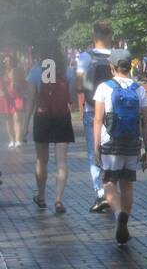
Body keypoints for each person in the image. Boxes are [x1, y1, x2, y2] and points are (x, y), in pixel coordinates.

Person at [92, 49, 147, 245]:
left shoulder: (104, 88)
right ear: (130, 66)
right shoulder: (139, 89)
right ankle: (125, 219)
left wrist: (96, 146)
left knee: (109, 183)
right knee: (127, 185)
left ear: (112, 67)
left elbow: (98, 119)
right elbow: (145, 121)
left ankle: (118, 215)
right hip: (132, 143)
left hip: (110, 142)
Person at [26, 41, 77, 213]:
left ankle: (41, 196)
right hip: (61, 117)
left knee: (42, 160)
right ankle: (58, 199)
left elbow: (31, 100)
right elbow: (72, 99)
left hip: (42, 117)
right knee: (61, 161)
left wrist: (26, 124)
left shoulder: (36, 71)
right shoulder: (68, 71)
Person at [76, 22, 115, 212]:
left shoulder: (85, 57)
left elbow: (78, 83)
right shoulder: (117, 56)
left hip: (92, 110)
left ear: (94, 35)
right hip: (113, 112)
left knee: (94, 152)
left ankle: (100, 192)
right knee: (112, 150)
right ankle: (111, 188)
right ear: (109, 36)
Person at [0, 54, 24, 148]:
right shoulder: (2, 73)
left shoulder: (17, 71)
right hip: (6, 98)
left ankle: (18, 140)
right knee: (8, 119)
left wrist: (18, 85)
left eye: (10, 61)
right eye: (6, 61)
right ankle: (11, 140)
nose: (8, 63)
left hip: (16, 97)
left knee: (17, 118)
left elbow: (23, 83)